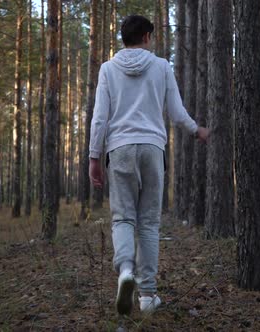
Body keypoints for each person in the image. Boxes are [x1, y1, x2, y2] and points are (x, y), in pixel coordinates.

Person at [89, 15, 209, 315]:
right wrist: (196, 130)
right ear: (146, 36)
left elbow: (100, 118)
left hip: (119, 150)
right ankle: (147, 296)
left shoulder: (108, 69)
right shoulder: (161, 67)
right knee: (149, 223)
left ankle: (126, 271)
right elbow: (176, 111)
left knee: (123, 219)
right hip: (153, 149)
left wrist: (94, 157)